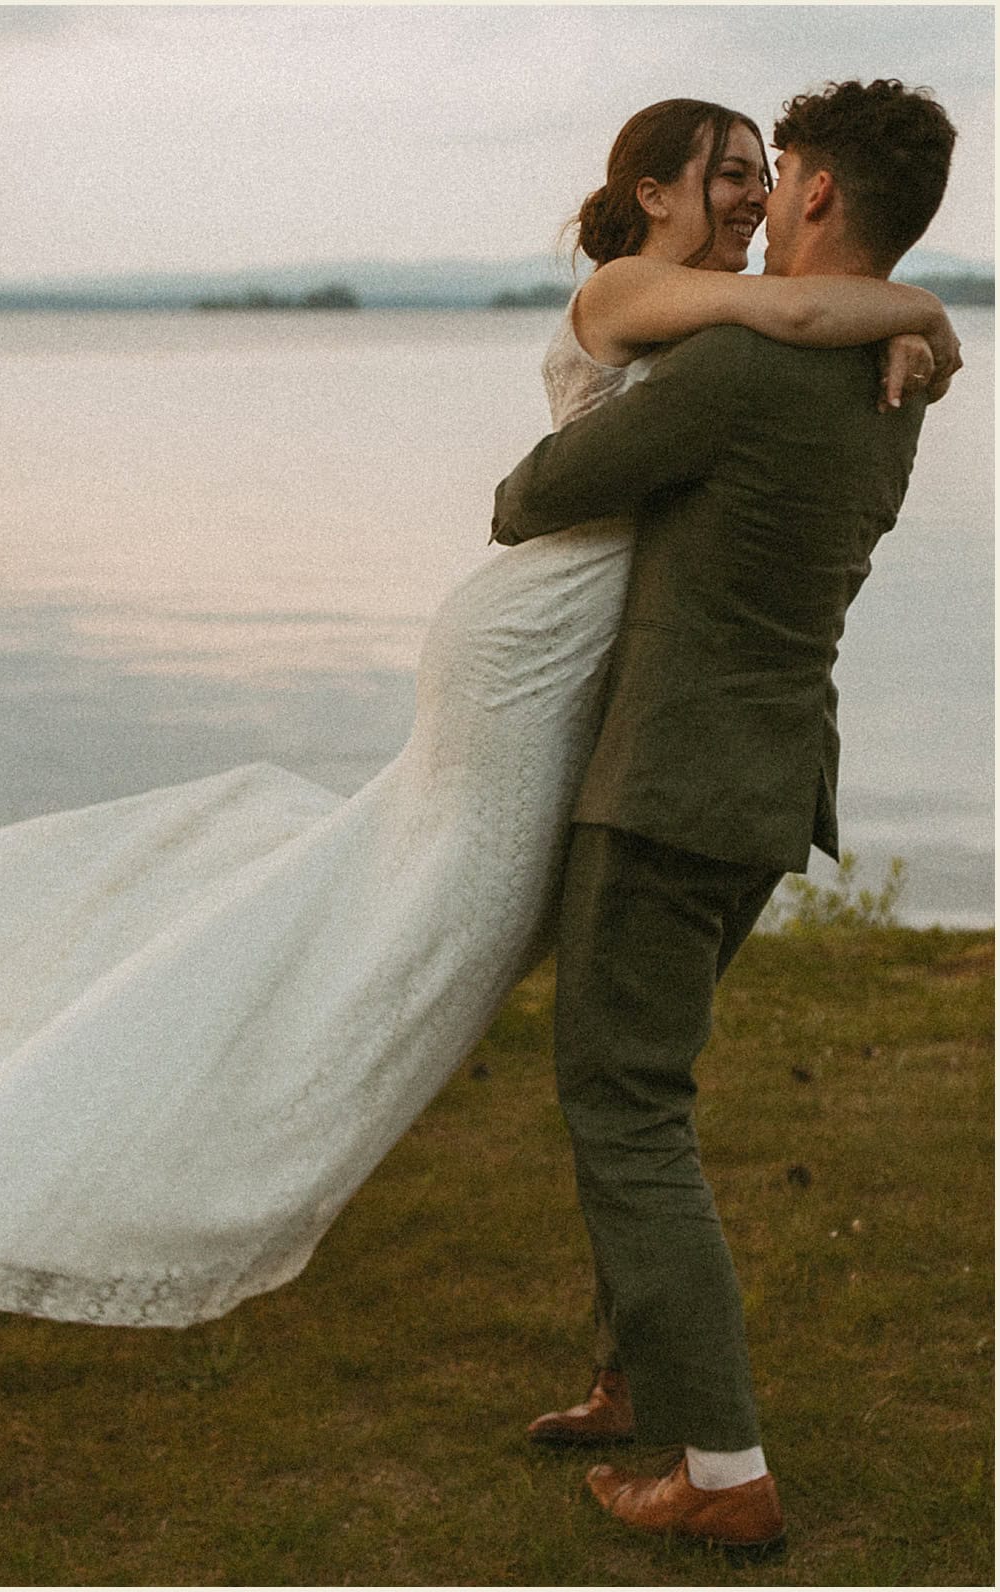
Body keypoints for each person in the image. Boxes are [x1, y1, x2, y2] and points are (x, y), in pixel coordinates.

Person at [0, 93, 955, 1340]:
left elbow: (792, 337)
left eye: (765, 172)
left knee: (417, 915)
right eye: (730, 172)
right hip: (531, 635)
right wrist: (920, 310)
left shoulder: (727, 315)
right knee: (422, 932)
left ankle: (626, 1345)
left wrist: (911, 329)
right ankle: (183, 1137)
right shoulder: (632, 290)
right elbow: (792, 321)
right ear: (654, 193)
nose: (753, 194)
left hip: (604, 656)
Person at [491, 78, 956, 1548]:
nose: (764, 198)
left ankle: (724, 1468)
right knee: (644, 1082)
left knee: (624, 1100)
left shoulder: (746, 366)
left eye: (782, 169)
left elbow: (534, 495)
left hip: (672, 784)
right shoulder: (897, 378)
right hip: (766, 779)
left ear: (815, 194)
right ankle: (640, 1375)